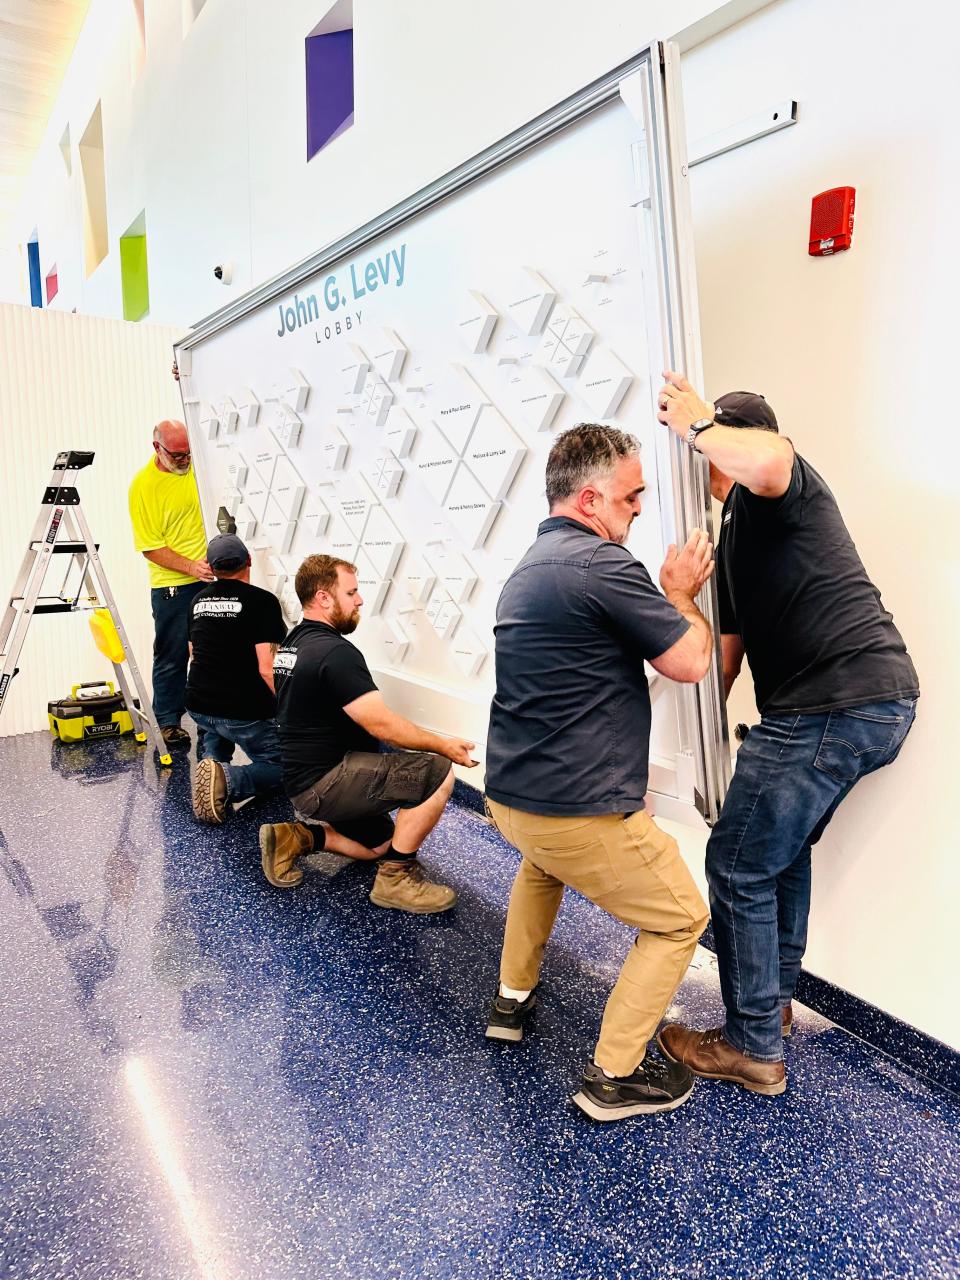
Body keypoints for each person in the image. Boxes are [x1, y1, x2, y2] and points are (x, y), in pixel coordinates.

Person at [655, 373, 919, 1096]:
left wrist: (697, 421)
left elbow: (769, 458)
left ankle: (751, 1047)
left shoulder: (778, 485)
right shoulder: (735, 534)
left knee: (737, 864)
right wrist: (679, 599)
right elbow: (721, 662)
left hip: (835, 704)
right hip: (858, 704)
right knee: (778, 854)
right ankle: (770, 1013)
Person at [483, 422, 716, 1123]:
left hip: (513, 803)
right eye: (632, 496)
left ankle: (511, 999)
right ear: (590, 499)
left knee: (540, 866)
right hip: (573, 812)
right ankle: (612, 1077)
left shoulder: (529, 567)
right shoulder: (603, 566)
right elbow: (690, 661)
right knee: (680, 919)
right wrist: (680, 592)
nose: (638, 509)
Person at [259, 553, 478, 912]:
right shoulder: (335, 652)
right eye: (352, 592)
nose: (360, 600)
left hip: (302, 782)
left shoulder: (294, 643)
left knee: (381, 844)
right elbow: (382, 725)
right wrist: (444, 745)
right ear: (324, 597)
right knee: (437, 775)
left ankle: (298, 836)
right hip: (327, 781)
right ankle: (395, 881)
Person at [186, 533, 287, 823]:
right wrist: (287, 710)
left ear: (213, 568)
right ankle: (229, 781)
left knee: (214, 733)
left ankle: (213, 766)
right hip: (243, 712)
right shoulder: (263, 602)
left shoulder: (196, 601)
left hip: (199, 704)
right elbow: (267, 668)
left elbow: (194, 654)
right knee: (286, 767)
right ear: (249, 561)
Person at [128, 419, 214, 747]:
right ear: (157, 448)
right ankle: (167, 722)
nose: (185, 461)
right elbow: (150, 547)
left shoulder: (200, 467)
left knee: (210, 653)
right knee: (172, 653)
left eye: (188, 454)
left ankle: (210, 719)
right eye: (178, 455)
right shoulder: (143, 487)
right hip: (172, 585)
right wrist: (191, 566)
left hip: (209, 577)